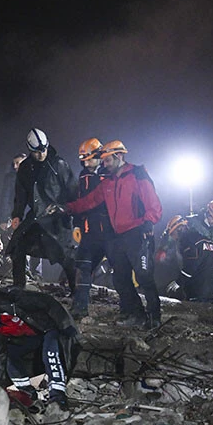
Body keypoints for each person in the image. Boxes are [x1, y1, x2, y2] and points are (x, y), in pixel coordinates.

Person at [60, 140, 163, 328]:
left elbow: (153, 204)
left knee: (144, 276)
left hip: (137, 233)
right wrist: (67, 208)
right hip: (119, 236)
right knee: (120, 278)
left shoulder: (137, 174)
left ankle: (154, 317)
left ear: (119, 156)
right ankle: (136, 314)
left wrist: (148, 223)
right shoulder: (108, 182)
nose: (105, 164)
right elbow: (90, 201)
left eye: (108, 160)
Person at [0, 287, 79, 410]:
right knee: (9, 355)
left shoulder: (14, 301)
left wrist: (65, 325)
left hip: (47, 329)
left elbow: (48, 303)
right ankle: (28, 393)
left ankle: (58, 397)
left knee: (50, 353)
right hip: (31, 338)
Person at [6, 128, 78, 292]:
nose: (41, 154)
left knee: (65, 255)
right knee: (18, 245)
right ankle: (18, 286)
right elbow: (21, 194)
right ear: (30, 150)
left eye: (43, 150)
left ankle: (76, 291)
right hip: (36, 216)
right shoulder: (25, 167)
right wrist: (17, 215)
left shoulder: (59, 165)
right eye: (37, 152)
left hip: (58, 218)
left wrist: (64, 208)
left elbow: (73, 192)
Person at [71, 139, 114, 318]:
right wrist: (77, 224)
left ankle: (132, 310)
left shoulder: (110, 173)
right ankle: (79, 307)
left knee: (121, 270)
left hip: (111, 232)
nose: (86, 164)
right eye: (84, 161)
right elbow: (80, 200)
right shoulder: (84, 176)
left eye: (89, 160)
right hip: (90, 231)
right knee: (83, 267)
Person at [163, 215, 213, 302]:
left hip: (197, 292)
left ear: (179, 229)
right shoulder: (206, 240)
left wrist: (179, 281)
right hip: (211, 291)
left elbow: (191, 265)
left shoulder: (188, 241)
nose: (174, 238)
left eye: (173, 234)